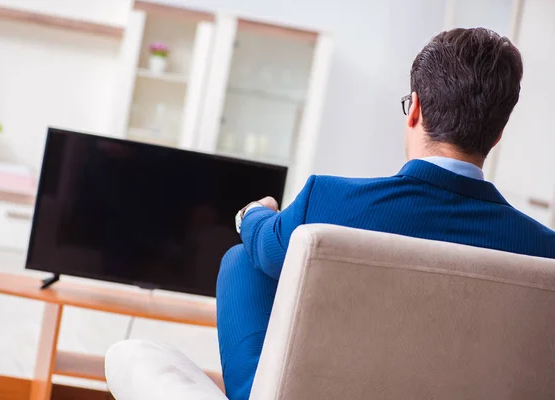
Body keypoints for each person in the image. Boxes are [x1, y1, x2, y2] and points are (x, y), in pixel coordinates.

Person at [216, 27, 555, 400]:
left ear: (416, 109)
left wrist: (251, 213)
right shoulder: (543, 251)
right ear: (498, 134)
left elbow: (266, 244)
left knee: (243, 259)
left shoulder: (327, 201)